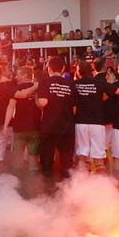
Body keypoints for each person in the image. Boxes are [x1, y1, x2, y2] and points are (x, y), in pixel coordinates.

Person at [35, 56, 77, 185]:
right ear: (63, 69)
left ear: (49, 69)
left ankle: (48, 188)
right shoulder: (71, 84)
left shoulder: (45, 82)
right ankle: (67, 191)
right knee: (66, 159)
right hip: (67, 126)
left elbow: (43, 102)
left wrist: (37, 100)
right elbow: (75, 109)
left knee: (47, 157)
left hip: (49, 125)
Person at [4, 65, 40, 176]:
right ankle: (33, 182)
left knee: (17, 157)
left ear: (25, 75)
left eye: (18, 74)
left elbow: (10, 107)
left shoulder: (17, 89)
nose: (16, 76)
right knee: (33, 157)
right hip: (35, 127)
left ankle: (17, 181)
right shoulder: (38, 87)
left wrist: (5, 126)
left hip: (19, 128)